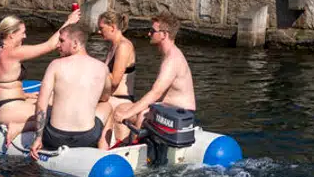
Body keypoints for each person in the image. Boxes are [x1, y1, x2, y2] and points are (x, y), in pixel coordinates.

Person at [0, 7, 81, 145]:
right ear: (11, 35)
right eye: (23, 33)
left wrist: (23, 95)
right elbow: (50, 45)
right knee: (58, 114)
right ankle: (20, 127)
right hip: (7, 109)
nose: (25, 36)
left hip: (1, 105)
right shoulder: (13, 52)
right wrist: (69, 21)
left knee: (54, 99)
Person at [28, 24, 114, 158]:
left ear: (75, 43)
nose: (58, 45)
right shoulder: (102, 68)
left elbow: (41, 104)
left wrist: (38, 138)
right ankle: (103, 146)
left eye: (62, 41)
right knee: (107, 107)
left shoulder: (55, 65)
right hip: (87, 138)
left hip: (54, 138)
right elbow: (105, 97)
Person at [111, 13, 197, 145]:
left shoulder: (172, 60)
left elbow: (155, 93)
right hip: (169, 109)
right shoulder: (169, 55)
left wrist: (128, 114)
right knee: (126, 109)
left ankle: (127, 150)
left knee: (129, 112)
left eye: (152, 31)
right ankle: (124, 145)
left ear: (164, 34)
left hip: (180, 113)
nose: (149, 34)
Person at [98, 11, 137, 145]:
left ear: (112, 27)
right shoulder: (113, 46)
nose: (98, 31)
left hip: (121, 100)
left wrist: (94, 68)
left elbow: (114, 80)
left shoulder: (124, 46)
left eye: (101, 28)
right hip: (110, 97)